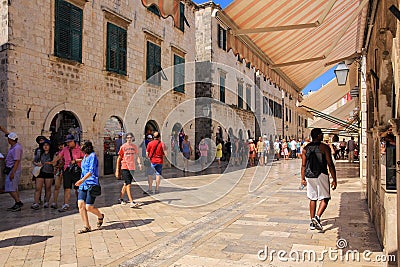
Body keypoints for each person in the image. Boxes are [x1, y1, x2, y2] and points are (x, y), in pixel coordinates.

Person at [301, 128, 337, 231]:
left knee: (313, 198)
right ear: (318, 135)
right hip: (321, 174)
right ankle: (317, 217)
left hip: (309, 175)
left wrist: (302, 178)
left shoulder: (305, 148)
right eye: (321, 134)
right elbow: (330, 164)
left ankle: (312, 222)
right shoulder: (324, 147)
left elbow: (303, 165)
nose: (322, 136)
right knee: (325, 197)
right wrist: (334, 179)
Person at [48, 134, 84, 212]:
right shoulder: (65, 149)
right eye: (67, 142)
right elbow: (59, 156)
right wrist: (52, 162)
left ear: (73, 141)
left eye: (69, 142)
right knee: (67, 187)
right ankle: (66, 204)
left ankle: (79, 202)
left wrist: (76, 161)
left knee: (77, 188)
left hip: (77, 170)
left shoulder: (80, 148)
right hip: (67, 170)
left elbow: (84, 158)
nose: (68, 144)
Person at [74, 141, 104, 234]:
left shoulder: (93, 156)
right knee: (80, 205)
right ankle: (86, 226)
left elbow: (91, 171)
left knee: (89, 207)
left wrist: (81, 180)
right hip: (83, 184)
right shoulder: (85, 157)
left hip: (91, 184)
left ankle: (100, 216)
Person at [115, 133, 142, 206]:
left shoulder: (134, 147)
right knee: (129, 185)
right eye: (128, 137)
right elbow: (119, 158)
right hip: (125, 167)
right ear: (126, 138)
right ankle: (131, 201)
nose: (129, 139)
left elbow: (137, 156)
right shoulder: (123, 147)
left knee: (126, 184)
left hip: (132, 168)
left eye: (131, 137)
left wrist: (139, 164)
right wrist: (117, 170)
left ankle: (120, 198)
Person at [0, 126, 23, 211]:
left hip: (13, 170)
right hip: (11, 169)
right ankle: (17, 203)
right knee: (13, 187)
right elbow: (9, 134)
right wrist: (2, 129)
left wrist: (13, 173)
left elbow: (17, 161)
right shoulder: (15, 145)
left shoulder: (16, 148)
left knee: (10, 188)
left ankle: (18, 202)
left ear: (10, 140)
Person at [31, 140, 54, 210]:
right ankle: (36, 202)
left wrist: (51, 163)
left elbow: (55, 163)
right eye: (44, 145)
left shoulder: (52, 154)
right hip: (40, 172)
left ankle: (46, 202)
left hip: (49, 172)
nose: (46, 146)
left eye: (47, 145)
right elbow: (34, 161)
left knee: (48, 188)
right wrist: (37, 164)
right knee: (38, 188)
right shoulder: (39, 153)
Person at [51, 141, 65, 209]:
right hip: (58, 171)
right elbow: (53, 163)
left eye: (62, 145)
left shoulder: (67, 153)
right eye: (59, 145)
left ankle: (66, 203)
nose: (60, 146)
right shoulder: (56, 154)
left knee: (66, 187)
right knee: (57, 186)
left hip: (66, 171)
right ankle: (54, 202)